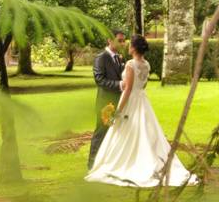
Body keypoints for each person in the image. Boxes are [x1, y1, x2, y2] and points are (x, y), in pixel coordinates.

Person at [85, 35, 199, 187]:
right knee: (143, 131)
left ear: (133, 48)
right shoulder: (146, 64)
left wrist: (118, 111)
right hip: (142, 101)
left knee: (127, 132)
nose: (127, 46)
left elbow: (128, 89)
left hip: (131, 101)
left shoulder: (131, 64)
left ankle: (126, 163)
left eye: (130, 44)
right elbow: (142, 86)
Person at [88, 30, 126, 167]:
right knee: (101, 132)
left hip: (120, 102)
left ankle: (109, 163)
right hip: (106, 104)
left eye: (123, 40)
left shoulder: (121, 58)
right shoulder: (101, 58)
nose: (123, 43)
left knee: (114, 134)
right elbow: (99, 80)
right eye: (120, 40)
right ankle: (92, 165)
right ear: (110, 40)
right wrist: (120, 84)